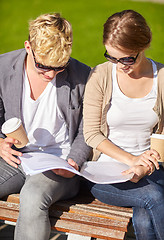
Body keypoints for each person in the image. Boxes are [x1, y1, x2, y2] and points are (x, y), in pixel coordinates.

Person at [0, 13, 91, 240]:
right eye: (43, 67)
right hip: (16, 159)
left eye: (59, 68)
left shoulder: (83, 76)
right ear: (28, 47)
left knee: (32, 196)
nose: (50, 75)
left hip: (60, 164)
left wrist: (74, 161)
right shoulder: (3, 67)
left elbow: (87, 129)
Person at [83, 9, 164, 240]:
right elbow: (91, 134)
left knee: (143, 216)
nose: (120, 65)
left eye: (127, 58)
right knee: (154, 198)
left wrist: (145, 165)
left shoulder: (162, 77)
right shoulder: (100, 75)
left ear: (144, 45)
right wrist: (131, 160)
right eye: (112, 57)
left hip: (152, 167)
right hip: (106, 172)